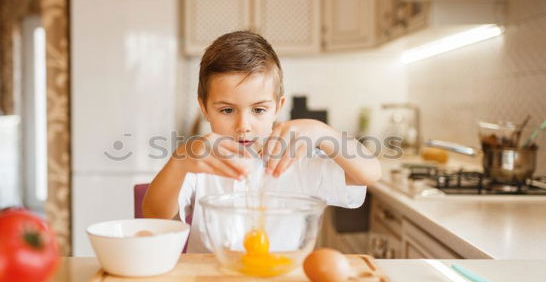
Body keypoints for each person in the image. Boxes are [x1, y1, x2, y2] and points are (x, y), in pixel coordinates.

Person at [142, 30, 381, 252]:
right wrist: (180, 160)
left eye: (258, 110)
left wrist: (323, 133)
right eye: (227, 110)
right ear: (204, 108)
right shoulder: (199, 164)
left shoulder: (298, 160)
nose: (243, 125)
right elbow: (155, 216)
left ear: (278, 107)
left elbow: (369, 174)